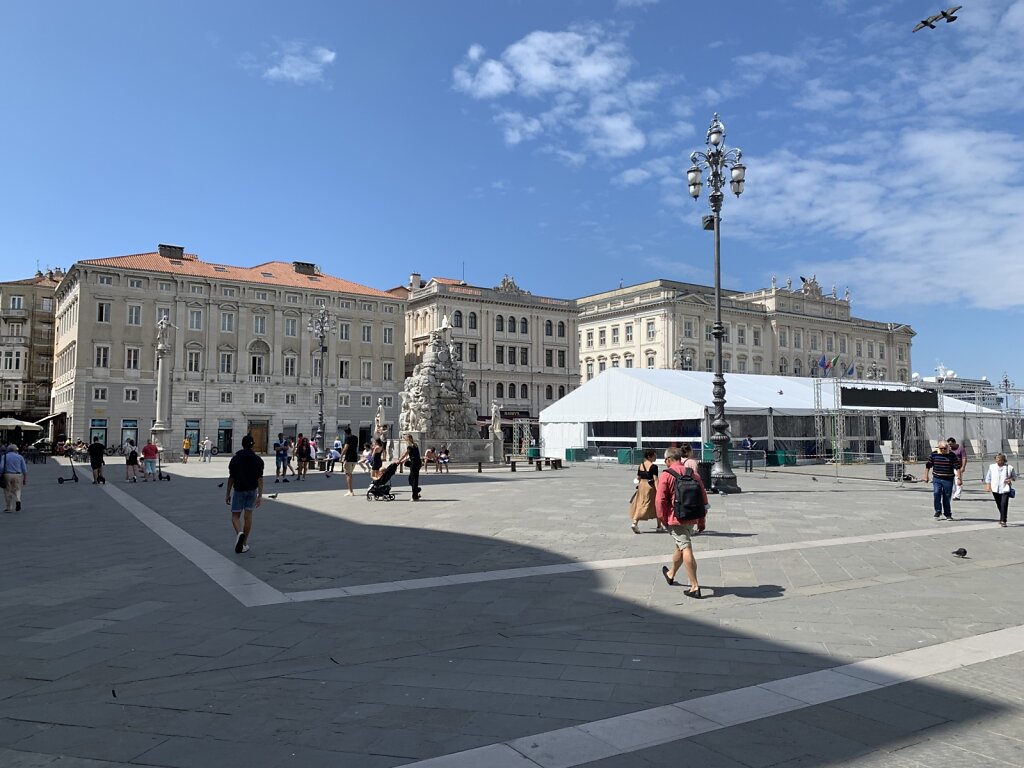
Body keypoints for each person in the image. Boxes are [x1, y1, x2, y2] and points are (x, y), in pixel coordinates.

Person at [656, 447, 709, 598]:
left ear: (668, 460)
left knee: (685, 547)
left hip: (675, 518)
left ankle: (694, 586)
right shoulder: (693, 474)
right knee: (680, 545)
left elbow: (660, 500)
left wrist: (662, 519)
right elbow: (703, 498)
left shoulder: (666, 475)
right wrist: (702, 519)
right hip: (692, 516)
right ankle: (671, 574)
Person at [225, 433, 264, 554]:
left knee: (235, 516)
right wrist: (260, 495)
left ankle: (239, 533)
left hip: (239, 490)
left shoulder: (235, 459)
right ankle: (245, 543)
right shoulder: (258, 460)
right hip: (252, 491)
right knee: (248, 517)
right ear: (253, 445)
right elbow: (260, 479)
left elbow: (231, 477)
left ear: (242, 444)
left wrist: (227, 493)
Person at [923, 441, 961, 520]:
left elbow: (957, 467)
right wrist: (926, 476)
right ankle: (938, 511)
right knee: (936, 493)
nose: (943, 450)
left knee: (947, 496)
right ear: (938, 448)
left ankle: (947, 513)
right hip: (937, 478)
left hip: (948, 479)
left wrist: (959, 479)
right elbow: (928, 466)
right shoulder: (934, 454)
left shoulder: (952, 455)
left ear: (947, 448)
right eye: (941, 448)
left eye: (945, 448)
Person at [629, 449, 664, 534]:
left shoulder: (641, 465)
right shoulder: (654, 467)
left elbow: (638, 477)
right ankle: (658, 526)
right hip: (650, 487)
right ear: (649, 457)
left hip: (642, 486)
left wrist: (637, 482)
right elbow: (655, 479)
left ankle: (636, 522)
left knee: (640, 503)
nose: (656, 457)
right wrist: (658, 489)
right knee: (654, 504)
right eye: (654, 456)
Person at [984, 453, 1017, 528]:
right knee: (999, 504)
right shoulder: (992, 467)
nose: (998, 461)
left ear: (1003, 460)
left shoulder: (1009, 467)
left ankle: (1003, 520)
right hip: (995, 488)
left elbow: (1014, 477)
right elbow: (988, 477)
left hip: (1005, 489)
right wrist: (988, 486)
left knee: (1004, 504)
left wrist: (1010, 479)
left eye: (999, 460)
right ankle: (1002, 516)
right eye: (996, 460)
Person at [394, 434, 423, 501]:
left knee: (413, 479)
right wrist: (404, 460)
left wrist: (399, 460)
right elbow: (412, 455)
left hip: (414, 463)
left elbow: (405, 454)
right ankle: (416, 490)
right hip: (418, 462)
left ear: (407, 440)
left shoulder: (409, 446)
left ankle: (414, 496)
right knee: (413, 478)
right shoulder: (415, 444)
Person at [1, 445, 28, 512]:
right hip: (18, 475)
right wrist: (25, 478)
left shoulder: (4, 456)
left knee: (8, 491)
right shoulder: (20, 457)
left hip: (7, 475)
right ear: (16, 450)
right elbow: (24, 469)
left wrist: (1, 474)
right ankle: (18, 500)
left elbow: (1, 467)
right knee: (18, 489)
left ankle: (9, 507)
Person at [341, 427, 359, 496]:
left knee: (348, 474)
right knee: (350, 473)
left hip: (348, 457)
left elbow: (346, 447)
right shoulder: (356, 438)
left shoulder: (347, 438)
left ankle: (350, 491)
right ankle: (350, 490)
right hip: (354, 457)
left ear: (345, 433)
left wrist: (341, 456)